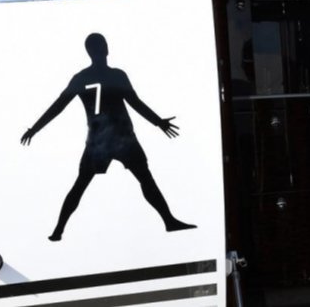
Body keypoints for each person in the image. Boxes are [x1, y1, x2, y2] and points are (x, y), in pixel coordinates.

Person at [21, 33, 195, 241]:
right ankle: (169, 221)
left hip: (101, 141)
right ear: (104, 49)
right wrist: (159, 122)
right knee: (143, 180)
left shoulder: (82, 78)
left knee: (87, 184)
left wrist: (34, 129)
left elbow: (58, 106)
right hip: (120, 138)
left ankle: (58, 231)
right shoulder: (116, 75)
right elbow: (135, 103)